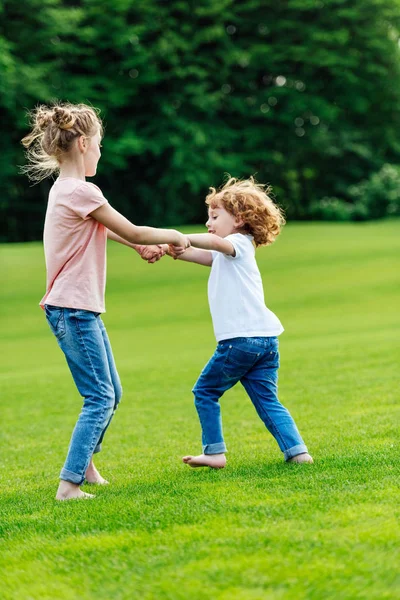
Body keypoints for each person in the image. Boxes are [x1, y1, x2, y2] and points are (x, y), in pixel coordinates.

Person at [21, 102, 190, 500]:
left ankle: (88, 466)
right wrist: (174, 235)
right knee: (100, 396)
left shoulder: (66, 192)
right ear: (83, 143)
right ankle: (69, 484)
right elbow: (131, 227)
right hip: (74, 309)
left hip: (78, 308)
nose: (100, 151)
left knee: (111, 390)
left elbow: (104, 229)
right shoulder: (81, 190)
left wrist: (133, 248)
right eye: (98, 144)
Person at [165, 177, 313, 468]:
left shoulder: (236, 243)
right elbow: (205, 255)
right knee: (267, 399)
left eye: (215, 217)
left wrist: (185, 236)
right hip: (266, 341)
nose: (209, 223)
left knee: (205, 391)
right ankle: (297, 451)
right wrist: (177, 250)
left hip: (241, 342)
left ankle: (215, 452)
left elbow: (213, 243)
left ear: (239, 219)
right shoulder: (233, 250)